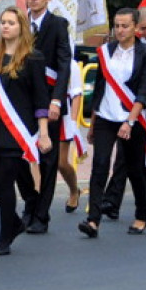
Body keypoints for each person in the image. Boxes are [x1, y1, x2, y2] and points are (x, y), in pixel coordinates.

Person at [0, 8, 51, 255]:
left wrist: (43, 132)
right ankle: (14, 222)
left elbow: (40, 99)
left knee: (5, 183)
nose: (5, 26)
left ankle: (4, 239)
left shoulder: (33, 58)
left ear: (21, 27)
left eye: (11, 23)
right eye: (2, 22)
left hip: (19, 129)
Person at [79, 7, 146, 239]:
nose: (120, 30)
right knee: (99, 165)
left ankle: (142, 214)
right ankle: (93, 220)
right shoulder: (105, 51)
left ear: (135, 27)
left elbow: (144, 90)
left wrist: (129, 122)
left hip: (132, 118)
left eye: (125, 26)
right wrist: (92, 122)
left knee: (133, 169)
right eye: (117, 26)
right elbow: (100, 88)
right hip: (105, 117)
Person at [19, 0, 71, 234]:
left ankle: (41, 214)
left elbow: (64, 65)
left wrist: (57, 100)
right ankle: (30, 201)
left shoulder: (58, 25)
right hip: (22, 100)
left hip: (49, 99)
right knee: (19, 156)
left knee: (47, 159)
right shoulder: (19, 23)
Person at [58, 60, 85, 213]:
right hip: (42, 114)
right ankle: (36, 200)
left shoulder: (71, 64)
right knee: (37, 161)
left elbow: (77, 94)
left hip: (64, 116)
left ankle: (74, 190)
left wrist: (73, 122)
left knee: (60, 163)